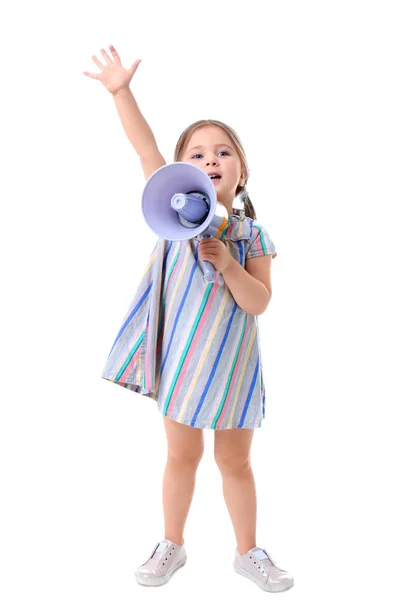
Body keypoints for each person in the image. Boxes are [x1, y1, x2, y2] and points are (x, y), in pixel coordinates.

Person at [83, 45, 294, 592]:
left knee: (236, 463)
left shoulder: (251, 236)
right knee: (181, 457)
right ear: (180, 174)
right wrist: (120, 91)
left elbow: (259, 302)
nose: (210, 161)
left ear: (241, 171)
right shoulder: (172, 219)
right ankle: (171, 545)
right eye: (197, 155)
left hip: (234, 368)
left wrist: (227, 264)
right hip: (181, 363)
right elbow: (145, 148)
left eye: (223, 153)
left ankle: (248, 552)